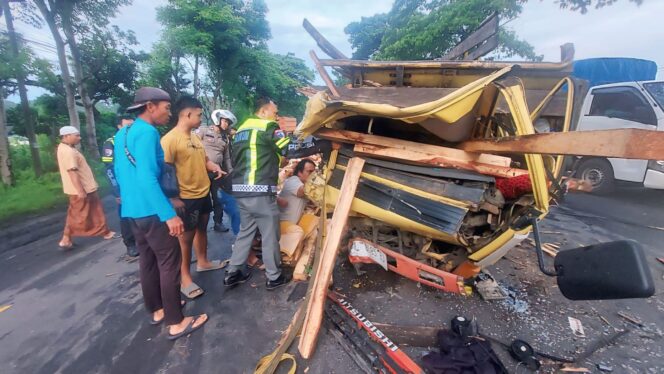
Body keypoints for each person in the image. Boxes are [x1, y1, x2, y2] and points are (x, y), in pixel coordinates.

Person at [114, 87, 208, 340]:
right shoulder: (147, 132)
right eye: (166, 108)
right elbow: (147, 176)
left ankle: (156, 309)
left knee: (148, 261)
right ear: (150, 106)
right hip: (152, 210)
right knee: (169, 263)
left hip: (133, 211)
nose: (169, 113)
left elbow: (122, 173)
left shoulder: (124, 132)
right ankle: (175, 321)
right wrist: (168, 214)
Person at [224, 97, 292, 290]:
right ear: (263, 112)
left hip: (240, 190)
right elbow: (288, 147)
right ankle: (274, 276)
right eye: (274, 112)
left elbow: (256, 156)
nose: (276, 116)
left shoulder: (242, 131)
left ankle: (233, 272)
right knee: (270, 234)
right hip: (260, 190)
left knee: (246, 232)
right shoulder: (268, 127)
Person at [161, 96, 226, 299]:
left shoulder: (195, 137)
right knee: (185, 240)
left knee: (201, 229)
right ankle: (185, 278)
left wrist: (214, 166)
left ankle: (203, 261)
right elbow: (165, 171)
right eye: (198, 115)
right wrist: (173, 198)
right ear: (187, 114)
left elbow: (205, 159)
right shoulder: (170, 139)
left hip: (203, 192)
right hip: (185, 198)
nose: (200, 118)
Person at [56, 126, 116, 249]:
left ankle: (104, 232)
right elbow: (72, 172)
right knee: (79, 214)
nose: (79, 137)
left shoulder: (66, 148)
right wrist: (80, 190)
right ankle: (66, 238)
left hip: (85, 188)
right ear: (67, 136)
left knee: (88, 211)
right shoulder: (68, 151)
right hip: (82, 189)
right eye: (76, 135)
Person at [102, 115, 138, 260]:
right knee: (126, 215)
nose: (130, 129)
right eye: (127, 126)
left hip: (138, 184)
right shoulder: (111, 143)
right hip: (123, 187)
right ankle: (130, 244)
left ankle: (143, 241)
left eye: (132, 126)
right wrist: (117, 192)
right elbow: (109, 169)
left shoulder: (135, 141)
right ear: (119, 126)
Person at [198, 109, 240, 235]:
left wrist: (230, 172)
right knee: (202, 198)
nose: (226, 124)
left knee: (218, 199)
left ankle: (218, 222)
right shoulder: (203, 131)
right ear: (218, 119)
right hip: (202, 171)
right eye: (225, 121)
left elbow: (226, 157)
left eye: (228, 122)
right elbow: (193, 146)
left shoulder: (225, 138)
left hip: (218, 173)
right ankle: (198, 223)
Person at [277, 159, 316, 225]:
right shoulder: (293, 180)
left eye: (314, 173)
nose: (313, 175)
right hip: (283, 224)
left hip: (290, 225)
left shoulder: (303, 184)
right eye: (310, 172)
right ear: (299, 172)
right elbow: (302, 192)